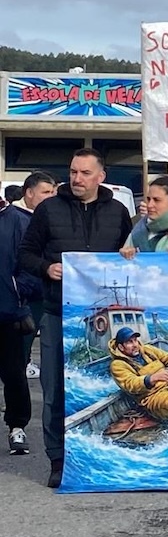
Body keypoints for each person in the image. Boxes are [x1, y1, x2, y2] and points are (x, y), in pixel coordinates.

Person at [19, 149, 132, 488]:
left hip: (101, 314)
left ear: (101, 175)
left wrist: (130, 252)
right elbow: (25, 253)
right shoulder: (48, 210)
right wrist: (44, 267)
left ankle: (104, 454)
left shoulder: (117, 211)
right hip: (57, 312)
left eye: (85, 172)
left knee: (107, 387)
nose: (77, 178)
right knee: (54, 390)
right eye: (73, 171)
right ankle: (58, 458)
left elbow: (129, 252)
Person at [0, 172, 56, 455]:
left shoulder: (19, 222)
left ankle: (17, 428)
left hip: (8, 313)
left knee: (14, 374)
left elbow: (30, 265)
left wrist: (17, 291)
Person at [7, 172, 55, 383]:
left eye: (53, 192)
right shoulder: (15, 219)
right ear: (29, 193)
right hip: (24, 298)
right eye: (45, 192)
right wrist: (20, 292)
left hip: (41, 295)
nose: (51, 196)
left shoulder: (42, 217)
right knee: (16, 357)